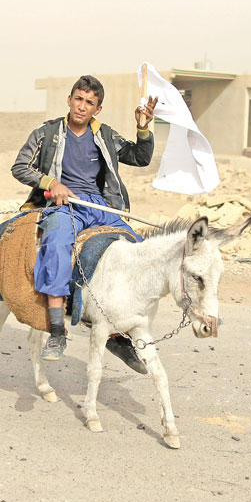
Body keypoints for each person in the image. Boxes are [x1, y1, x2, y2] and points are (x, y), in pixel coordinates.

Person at [11, 75, 157, 362]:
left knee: (137, 250)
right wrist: (50, 183)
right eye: (78, 99)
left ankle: (119, 334)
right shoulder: (47, 132)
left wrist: (143, 128)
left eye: (89, 102)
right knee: (55, 248)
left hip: (100, 206)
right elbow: (20, 167)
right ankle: (56, 331)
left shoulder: (104, 135)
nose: (82, 106)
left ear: (97, 109)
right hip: (62, 206)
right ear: (69, 100)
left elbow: (140, 158)